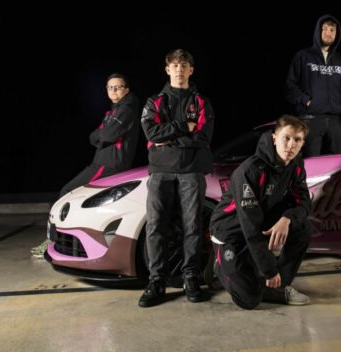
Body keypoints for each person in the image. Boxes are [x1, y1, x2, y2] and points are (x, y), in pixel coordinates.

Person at [210, 115, 313, 309]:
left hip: (260, 221)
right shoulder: (250, 170)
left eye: (297, 140)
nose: (291, 145)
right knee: (248, 301)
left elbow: (304, 202)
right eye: (286, 138)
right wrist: (269, 270)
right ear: (274, 138)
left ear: (302, 143)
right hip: (231, 231)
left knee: (303, 227)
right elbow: (250, 226)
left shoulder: (296, 166)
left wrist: (287, 218)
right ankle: (221, 266)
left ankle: (278, 287)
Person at [31, 73, 140, 257]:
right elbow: (93, 137)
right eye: (109, 87)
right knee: (81, 201)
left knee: (67, 192)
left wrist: (102, 134)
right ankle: (68, 242)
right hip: (103, 163)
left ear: (126, 90)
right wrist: (101, 134)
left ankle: (52, 240)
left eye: (118, 87)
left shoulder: (126, 109)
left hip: (108, 165)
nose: (113, 91)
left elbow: (107, 135)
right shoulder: (113, 112)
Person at [138, 49, 215, 307]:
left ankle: (191, 277)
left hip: (192, 171)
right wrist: (183, 127)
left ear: (191, 70)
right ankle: (157, 280)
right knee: (155, 226)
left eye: (184, 65)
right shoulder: (154, 102)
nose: (179, 69)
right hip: (160, 171)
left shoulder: (201, 102)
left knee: (192, 226)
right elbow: (151, 133)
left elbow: (203, 138)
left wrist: (168, 139)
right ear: (167, 69)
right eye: (174, 65)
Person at [285, 15, 341, 156]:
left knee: (338, 162)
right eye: (324, 29)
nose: (328, 33)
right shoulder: (303, 56)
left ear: (337, 34)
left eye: (332, 30)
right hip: (310, 119)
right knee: (312, 162)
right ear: (318, 31)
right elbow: (289, 86)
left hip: (335, 120)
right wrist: (306, 100)